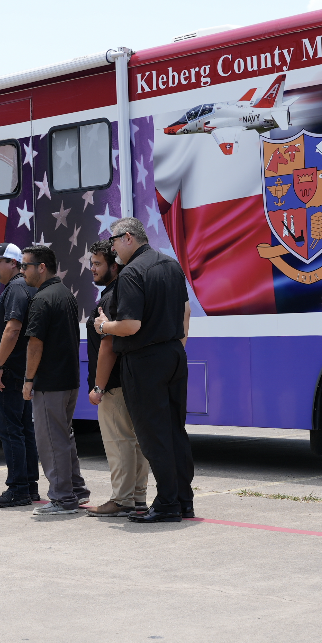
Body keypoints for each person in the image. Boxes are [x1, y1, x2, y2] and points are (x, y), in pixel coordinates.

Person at [94, 218, 192, 523]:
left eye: (112, 242)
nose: (112, 248)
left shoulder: (132, 272)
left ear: (127, 238)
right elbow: (186, 310)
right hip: (174, 353)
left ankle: (165, 504)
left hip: (145, 361)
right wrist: (175, 345)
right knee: (175, 431)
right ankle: (182, 500)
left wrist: (104, 325)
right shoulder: (170, 264)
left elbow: (131, 325)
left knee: (152, 435)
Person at [21, 245, 90, 516]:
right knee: (63, 437)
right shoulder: (65, 293)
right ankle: (76, 490)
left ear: (42, 267)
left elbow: (35, 345)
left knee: (51, 440)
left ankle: (63, 499)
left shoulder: (41, 299)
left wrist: (28, 379)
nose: (22, 270)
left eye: (25, 265)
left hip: (50, 381)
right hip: (69, 378)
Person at [85, 241, 149, 517]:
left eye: (97, 263)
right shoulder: (126, 292)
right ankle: (137, 498)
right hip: (132, 379)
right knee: (135, 442)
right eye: (92, 263)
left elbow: (108, 345)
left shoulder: (111, 297)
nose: (92, 269)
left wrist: (98, 386)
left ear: (114, 265)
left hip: (113, 383)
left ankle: (122, 500)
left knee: (118, 442)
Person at [0, 243, 40, 508]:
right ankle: (29, 486)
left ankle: (18, 489)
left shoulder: (16, 288)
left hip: (9, 371)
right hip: (18, 370)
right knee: (24, 428)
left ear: (14, 264)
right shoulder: (20, 287)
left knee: (10, 430)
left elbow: (12, 330)